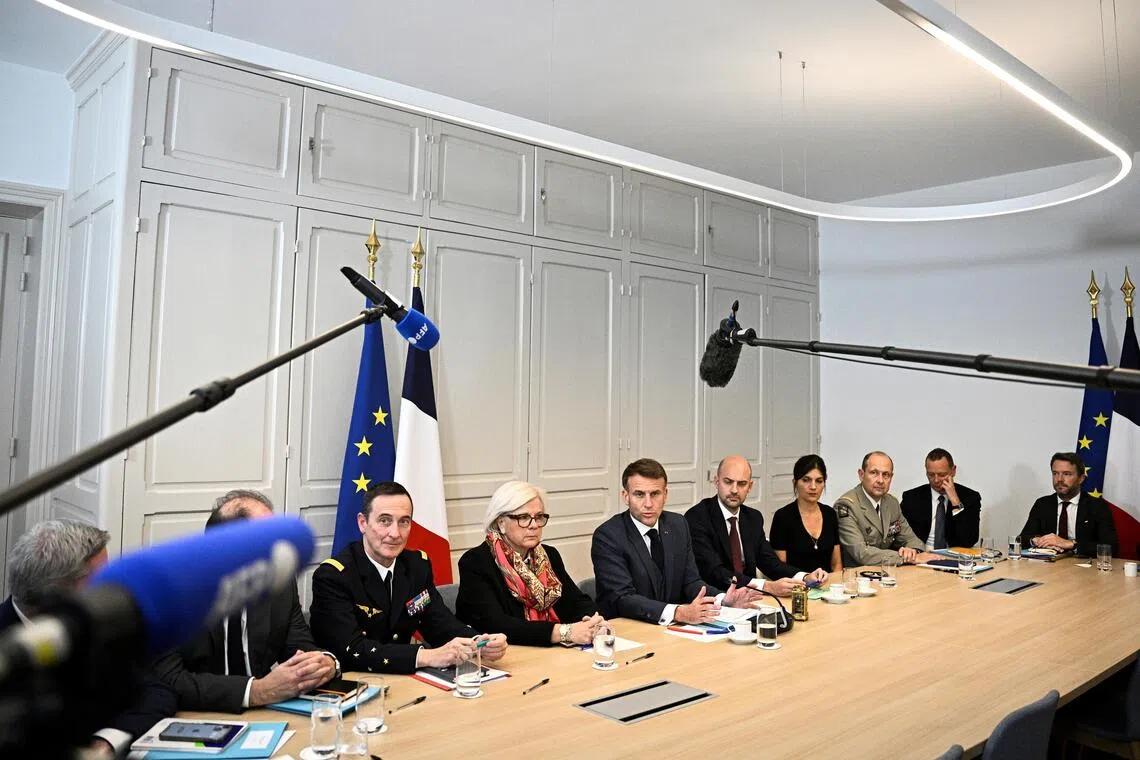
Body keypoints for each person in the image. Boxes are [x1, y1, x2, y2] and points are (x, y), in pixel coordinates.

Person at [1, 520, 176, 759]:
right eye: (102, 576)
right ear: (60, 591)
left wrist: (104, 742)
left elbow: (155, 692)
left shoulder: (97, 628)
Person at [154, 490, 339, 713]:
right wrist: (256, 691)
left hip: (267, 717)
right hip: (193, 717)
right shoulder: (167, 592)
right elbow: (168, 681)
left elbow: (300, 647)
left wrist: (326, 663)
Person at [310, 481, 508, 673]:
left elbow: (438, 622)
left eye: (403, 522)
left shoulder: (416, 566)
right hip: (354, 685)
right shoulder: (334, 576)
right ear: (363, 523)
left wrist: (479, 642)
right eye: (384, 521)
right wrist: (428, 657)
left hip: (405, 681)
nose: (395, 533)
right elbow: (351, 650)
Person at [591, 458, 760, 624]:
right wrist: (678, 612)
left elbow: (691, 582)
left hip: (673, 631)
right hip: (627, 630)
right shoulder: (608, 536)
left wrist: (722, 599)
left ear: (665, 494)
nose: (648, 504)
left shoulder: (678, 525)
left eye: (655, 494)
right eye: (639, 494)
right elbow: (623, 598)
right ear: (626, 497)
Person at [456, 481, 604, 647]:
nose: (534, 525)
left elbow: (576, 601)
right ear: (501, 523)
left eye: (539, 517)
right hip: (507, 655)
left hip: (553, 653)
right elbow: (494, 624)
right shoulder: (476, 562)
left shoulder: (549, 555)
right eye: (524, 518)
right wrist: (563, 632)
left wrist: (591, 620)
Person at [687, 455, 828, 596]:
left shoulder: (752, 518)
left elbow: (770, 562)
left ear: (750, 486)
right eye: (728, 482)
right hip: (715, 599)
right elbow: (714, 571)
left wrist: (804, 577)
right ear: (716, 481)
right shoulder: (698, 517)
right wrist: (766, 586)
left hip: (750, 599)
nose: (734, 490)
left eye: (742, 484)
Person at [836, 451, 942, 567]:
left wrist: (912, 551)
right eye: (874, 473)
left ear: (891, 477)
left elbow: (912, 540)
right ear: (861, 474)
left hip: (888, 574)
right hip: (857, 577)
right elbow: (862, 553)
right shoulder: (846, 506)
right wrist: (904, 557)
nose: (880, 480)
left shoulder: (892, 503)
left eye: (886, 475)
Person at [1019, 452, 1118, 557]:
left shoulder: (1097, 506)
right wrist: (1037, 540)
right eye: (1055, 473)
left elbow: (1110, 547)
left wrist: (1071, 545)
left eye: (1066, 474)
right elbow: (1022, 539)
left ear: (1081, 478)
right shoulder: (1043, 504)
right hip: (1049, 566)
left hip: (1084, 568)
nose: (1059, 479)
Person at [769, 454, 843, 576]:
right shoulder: (783, 517)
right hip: (795, 588)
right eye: (806, 480)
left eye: (819, 481)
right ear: (795, 482)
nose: (813, 487)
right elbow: (780, 568)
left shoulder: (830, 514)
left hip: (829, 588)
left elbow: (836, 565)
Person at [900, 448, 982, 550]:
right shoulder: (911, 498)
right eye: (931, 475)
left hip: (954, 557)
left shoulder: (970, 497)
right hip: (921, 555)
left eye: (942, 474)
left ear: (953, 471)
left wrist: (955, 501)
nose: (936, 480)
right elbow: (901, 537)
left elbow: (969, 540)